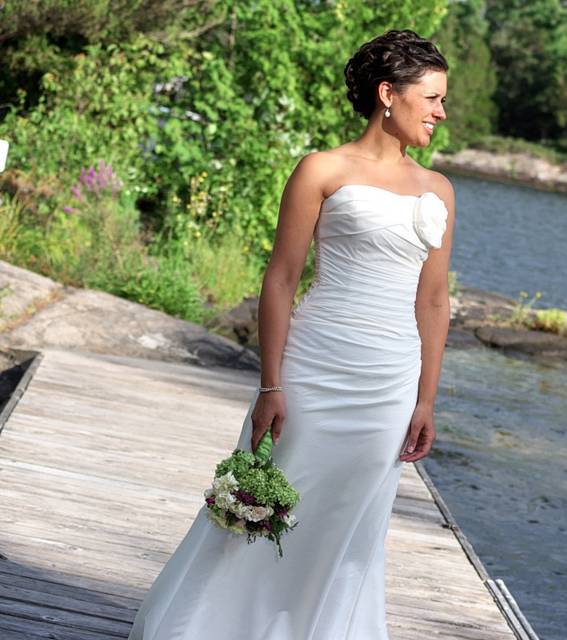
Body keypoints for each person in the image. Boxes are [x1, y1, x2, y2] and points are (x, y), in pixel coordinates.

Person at [127, 28, 454, 639]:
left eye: (442, 100)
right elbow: (279, 280)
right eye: (431, 97)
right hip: (315, 368)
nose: (441, 111)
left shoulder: (438, 189)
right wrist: (270, 385)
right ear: (389, 94)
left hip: (390, 380)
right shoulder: (321, 169)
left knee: (352, 522)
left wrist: (426, 399)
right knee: (270, 499)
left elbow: (433, 302)